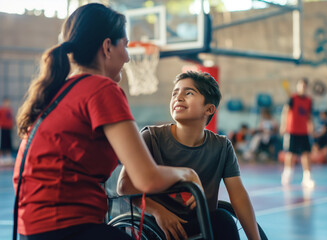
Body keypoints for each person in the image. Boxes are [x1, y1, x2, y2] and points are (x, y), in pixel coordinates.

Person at [13, 3, 201, 240]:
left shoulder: (59, 92)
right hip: (67, 228)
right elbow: (146, 178)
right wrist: (188, 174)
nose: (128, 56)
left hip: (32, 229)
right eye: (126, 45)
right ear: (107, 47)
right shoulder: (101, 89)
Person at [118, 71, 261, 240]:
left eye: (189, 93)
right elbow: (124, 186)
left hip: (199, 225)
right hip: (158, 227)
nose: (178, 97)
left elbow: (239, 197)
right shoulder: (151, 137)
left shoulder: (222, 146)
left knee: (223, 219)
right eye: (175, 93)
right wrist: (158, 212)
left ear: (209, 109)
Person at [279, 78, 315, 188]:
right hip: (292, 130)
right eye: (301, 85)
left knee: (306, 154)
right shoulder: (292, 98)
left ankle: (307, 178)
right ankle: (287, 174)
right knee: (291, 153)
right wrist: (283, 126)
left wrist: (311, 126)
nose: (302, 88)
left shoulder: (309, 100)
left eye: (304, 86)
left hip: (303, 131)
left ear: (306, 88)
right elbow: (285, 111)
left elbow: (309, 115)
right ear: (298, 86)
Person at [0, 97, 14, 165]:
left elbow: (11, 119)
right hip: (3, 128)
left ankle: (8, 157)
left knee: (9, 142)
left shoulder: (10, 110)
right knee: (3, 142)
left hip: (9, 128)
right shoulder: (2, 110)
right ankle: (1, 157)